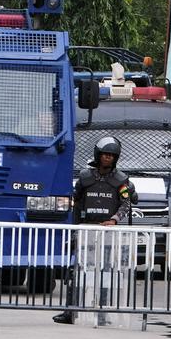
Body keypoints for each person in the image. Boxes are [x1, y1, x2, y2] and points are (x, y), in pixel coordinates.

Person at [54, 135, 136, 325]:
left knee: (106, 272)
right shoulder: (84, 178)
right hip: (85, 232)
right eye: (105, 155)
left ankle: (102, 313)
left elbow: (126, 204)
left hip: (108, 233)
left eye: (111, 156)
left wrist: (114, 220)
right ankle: (70, 311)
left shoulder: (121, 180)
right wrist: (74, 231)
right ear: (98, 155)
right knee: (77, 272)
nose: (108, 158)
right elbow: (76, 203)